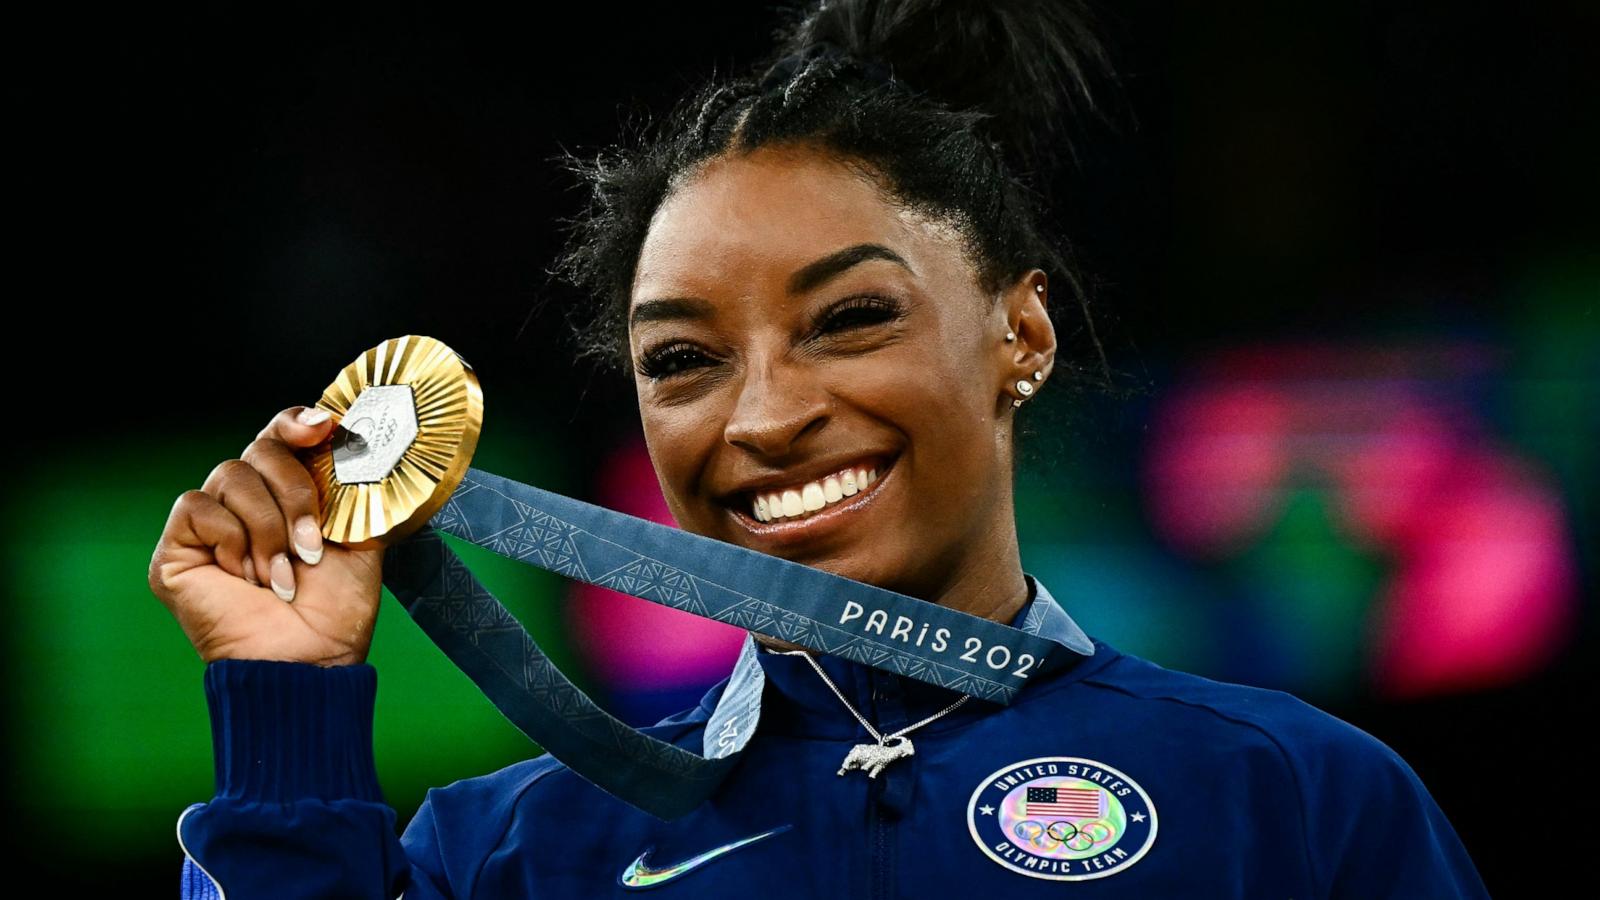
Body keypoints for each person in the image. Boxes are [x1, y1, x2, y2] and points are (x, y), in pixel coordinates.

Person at [147, 1, 1492, 897]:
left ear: (1018, 333)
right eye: (682, 359)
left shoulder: (1294, 801)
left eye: (849, 320)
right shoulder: (513, 856)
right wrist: (285, 708)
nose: (764, 416)